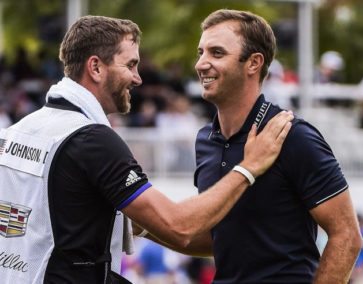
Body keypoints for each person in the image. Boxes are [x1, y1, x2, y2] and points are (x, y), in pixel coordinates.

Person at [0, 15, 293, 283]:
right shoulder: (91, 139)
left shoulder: (20, 130)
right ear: (96, 67)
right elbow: (180, 227)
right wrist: (248, 167)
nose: (138, 78)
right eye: (130, 65)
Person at [139, 9, 361, 283]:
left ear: (254, 63)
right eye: (201, 52)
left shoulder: (291, 135)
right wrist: (143, 225)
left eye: (217, 53)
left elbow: (347, 236)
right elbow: (220, 235)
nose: (201, 64)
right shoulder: (205, 139)